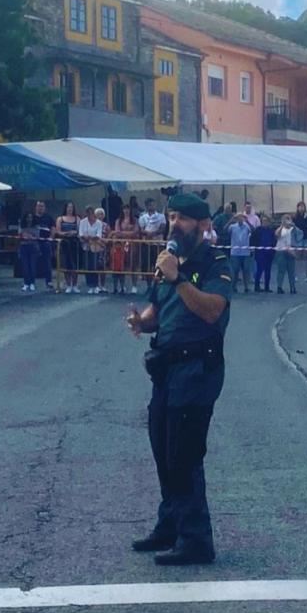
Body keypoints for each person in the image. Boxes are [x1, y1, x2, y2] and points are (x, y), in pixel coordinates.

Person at [127, 193, 231, 566]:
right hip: (166, 370)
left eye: (183, 218)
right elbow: (159, 309)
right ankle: (170, 526)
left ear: (203, 226)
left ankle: (196, 539)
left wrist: (179, 276)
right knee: (163, 451)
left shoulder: (214, 262)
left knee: (184, 455)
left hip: (197, 371)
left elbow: (211, 311)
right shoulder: (167, 264)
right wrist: (142, 322)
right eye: (171, 216)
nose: (174, 224)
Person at [140, 199, 168, 296]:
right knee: (148, 265)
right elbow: (141, 229)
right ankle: (149, 286)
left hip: (158, 243)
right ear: (147, 206)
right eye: (150, 205)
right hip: (147, 243)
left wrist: (154, 233)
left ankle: (158, 285)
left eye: (153, 204)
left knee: (158, 265)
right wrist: (147, 233)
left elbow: (163, 228)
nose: (152, 206)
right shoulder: (143, 217)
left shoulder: (161, 216)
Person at [112, 204, 139, 295]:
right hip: (121, 246)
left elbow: (135, 232)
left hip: (132, 244)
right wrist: (128, 233)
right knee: (120, 265)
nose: (126, 211)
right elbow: (117, 232)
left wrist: (124, 233)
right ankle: (121, 286)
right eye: (124, 209)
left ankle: (134, 286)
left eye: (128, 209)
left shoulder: (134, 220)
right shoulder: (118, 221)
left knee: (133, 265)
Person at [79, 207, 106, 295]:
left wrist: (89, 237)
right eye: (88, 213)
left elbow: (98, 235)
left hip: (95, 246)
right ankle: (90, 285)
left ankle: (95, 285)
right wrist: (87, 237)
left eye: (91, 212)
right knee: (87, 266)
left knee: (95, 266)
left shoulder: (98, 223)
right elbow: (81, 234)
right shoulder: (83, 222)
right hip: (86, 246)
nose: (89, 214)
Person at [56, 202, 81, 294]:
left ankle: (74, 284)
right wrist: (65, 233)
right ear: (65, 208)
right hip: (64, 243)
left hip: (74, 243)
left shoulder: (77, 218)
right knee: (66, 263)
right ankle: (68, 284)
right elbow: (58, 231)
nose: (70, 209)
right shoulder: (60, 218)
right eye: (68, 207)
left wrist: (74, 233)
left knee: (74, 264)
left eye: (71, 207)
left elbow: (78, 230)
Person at [226, 213, 253, 294]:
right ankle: (234, 287)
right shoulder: (232, 226)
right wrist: (230, 221)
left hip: (245, 252)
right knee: (235, 270)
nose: (240, 220)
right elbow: (225, 230)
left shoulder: (247, 226)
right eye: (239, 218)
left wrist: (247, 221)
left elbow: (253, 230)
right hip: (235, 252)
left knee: (246, 270)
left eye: (242, 218)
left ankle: (247, 287)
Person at [32, 201, 56, 292]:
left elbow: (53, 228)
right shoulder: (32, 217)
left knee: (47, 263)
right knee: (33, 262)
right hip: (34, 242)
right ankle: (31, 283)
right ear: (36, 207)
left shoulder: (48, 218)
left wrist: (51, 238)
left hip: (46, 242)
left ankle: (49, 282)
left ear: (44, 208)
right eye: (38, 206)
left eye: (42, 206)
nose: (40, 208)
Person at [273, 215, 300, 294]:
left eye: (288, 219)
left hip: (291, 251)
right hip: (281, 251)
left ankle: (292, 287)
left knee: (291, 271)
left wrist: (293, 225)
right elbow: (276, 235)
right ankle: (279, 287)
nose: (287, 221)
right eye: (285, 219)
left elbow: (299, 235)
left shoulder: (293, 229)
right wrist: (282, 225)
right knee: (281, 270)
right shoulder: (281, 229)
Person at [252, 214, 276, 292]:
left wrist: (273, 251)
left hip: (269, 254)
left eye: (266, 221)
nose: (265, 222)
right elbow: (253, 240)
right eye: (264, 221)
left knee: (268, 271)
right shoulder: (257, 230)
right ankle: (256, 286)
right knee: (259, 271)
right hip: (260, 253)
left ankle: (267, 287)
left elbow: (274, 241)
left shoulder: (271, 231)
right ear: (261, 221)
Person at [17, 210, 40, 292]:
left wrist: (29, 236)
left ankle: (32, 283)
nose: (29, 219)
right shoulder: (22, 225)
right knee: (25, 266)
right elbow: (20, 234)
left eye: (30, 217)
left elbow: (37, 236)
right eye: (27, 217)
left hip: (33, 247)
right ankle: (26, 283)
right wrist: (28, 236)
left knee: (32, 266)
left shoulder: (36, 226)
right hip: (23, 247)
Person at [293, 202, 307, 283]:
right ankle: (295, 275)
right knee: (297, 256)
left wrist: (306, 219)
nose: (302, 208)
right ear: (297, 208)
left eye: (303, 207)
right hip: (298, 239)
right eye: (300, 207)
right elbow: (296, 227)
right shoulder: (295, 217)